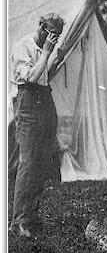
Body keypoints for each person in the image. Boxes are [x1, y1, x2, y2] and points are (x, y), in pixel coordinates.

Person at [9, 13, 65, 238]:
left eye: (57, 36)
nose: (53, 39)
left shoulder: (46, 49)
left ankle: (31, 215)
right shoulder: (22, 45)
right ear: (41, 27)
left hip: (45, 98)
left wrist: (54, 59)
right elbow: (31, 77)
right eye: (51, 34)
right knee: (29, 161)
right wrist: (47, 53)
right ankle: (18, 221)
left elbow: (45, 76)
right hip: (27, 99)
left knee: (43, 160)